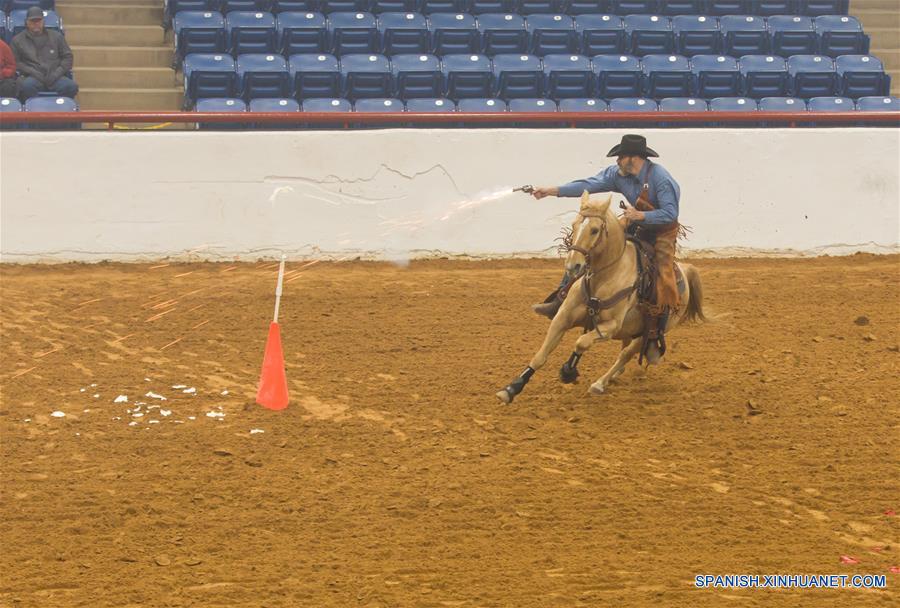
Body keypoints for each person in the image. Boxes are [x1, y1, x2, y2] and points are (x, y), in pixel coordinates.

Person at [529, 134, 682, 361]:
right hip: (634, 222)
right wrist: (552, 190)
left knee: (663, 276)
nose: (617, 161)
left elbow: (671, 213)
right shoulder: (617, 174)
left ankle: (653, 335)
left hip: (661, 232)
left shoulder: (662, 179)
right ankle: (559, 300)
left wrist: (641, 214)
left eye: (620, 156)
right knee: (586, 249)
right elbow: (588, 184)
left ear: (633, 158)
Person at [11, 6, 78, 101]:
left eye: (38, 20)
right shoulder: (17, 40)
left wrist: (57, 73)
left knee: (71, 86)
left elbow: (67, 57)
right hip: (32, 77)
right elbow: (16, 62)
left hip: (55, 76)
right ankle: (32, 113)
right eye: (32, 21)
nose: (36, 24)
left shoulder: (57, 37)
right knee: (25, 86)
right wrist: (32, 72)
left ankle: (61, 110)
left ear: (43, 21)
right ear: (26, 22)